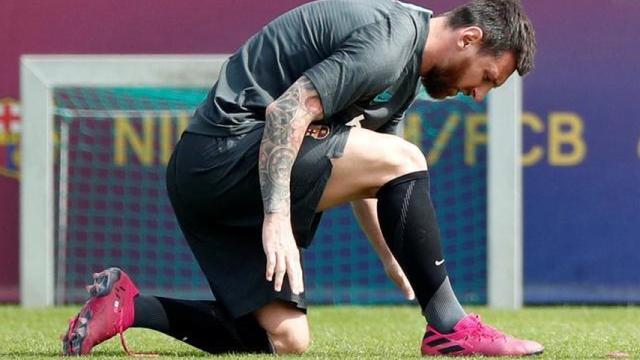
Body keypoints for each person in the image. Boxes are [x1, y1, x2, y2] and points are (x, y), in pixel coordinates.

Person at [62, 0, 542, 357]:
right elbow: (287, 110)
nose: (477, 94)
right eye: (487, 78)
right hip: (222, 156)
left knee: (287, 339)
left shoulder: (405, 73)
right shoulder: (389, 42)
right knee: (405, 154)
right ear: (470, 38)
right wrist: (275, 216)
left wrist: (394, 259)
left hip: (212, 178)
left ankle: (129, 307)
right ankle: (449, 328)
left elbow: (375, 174)